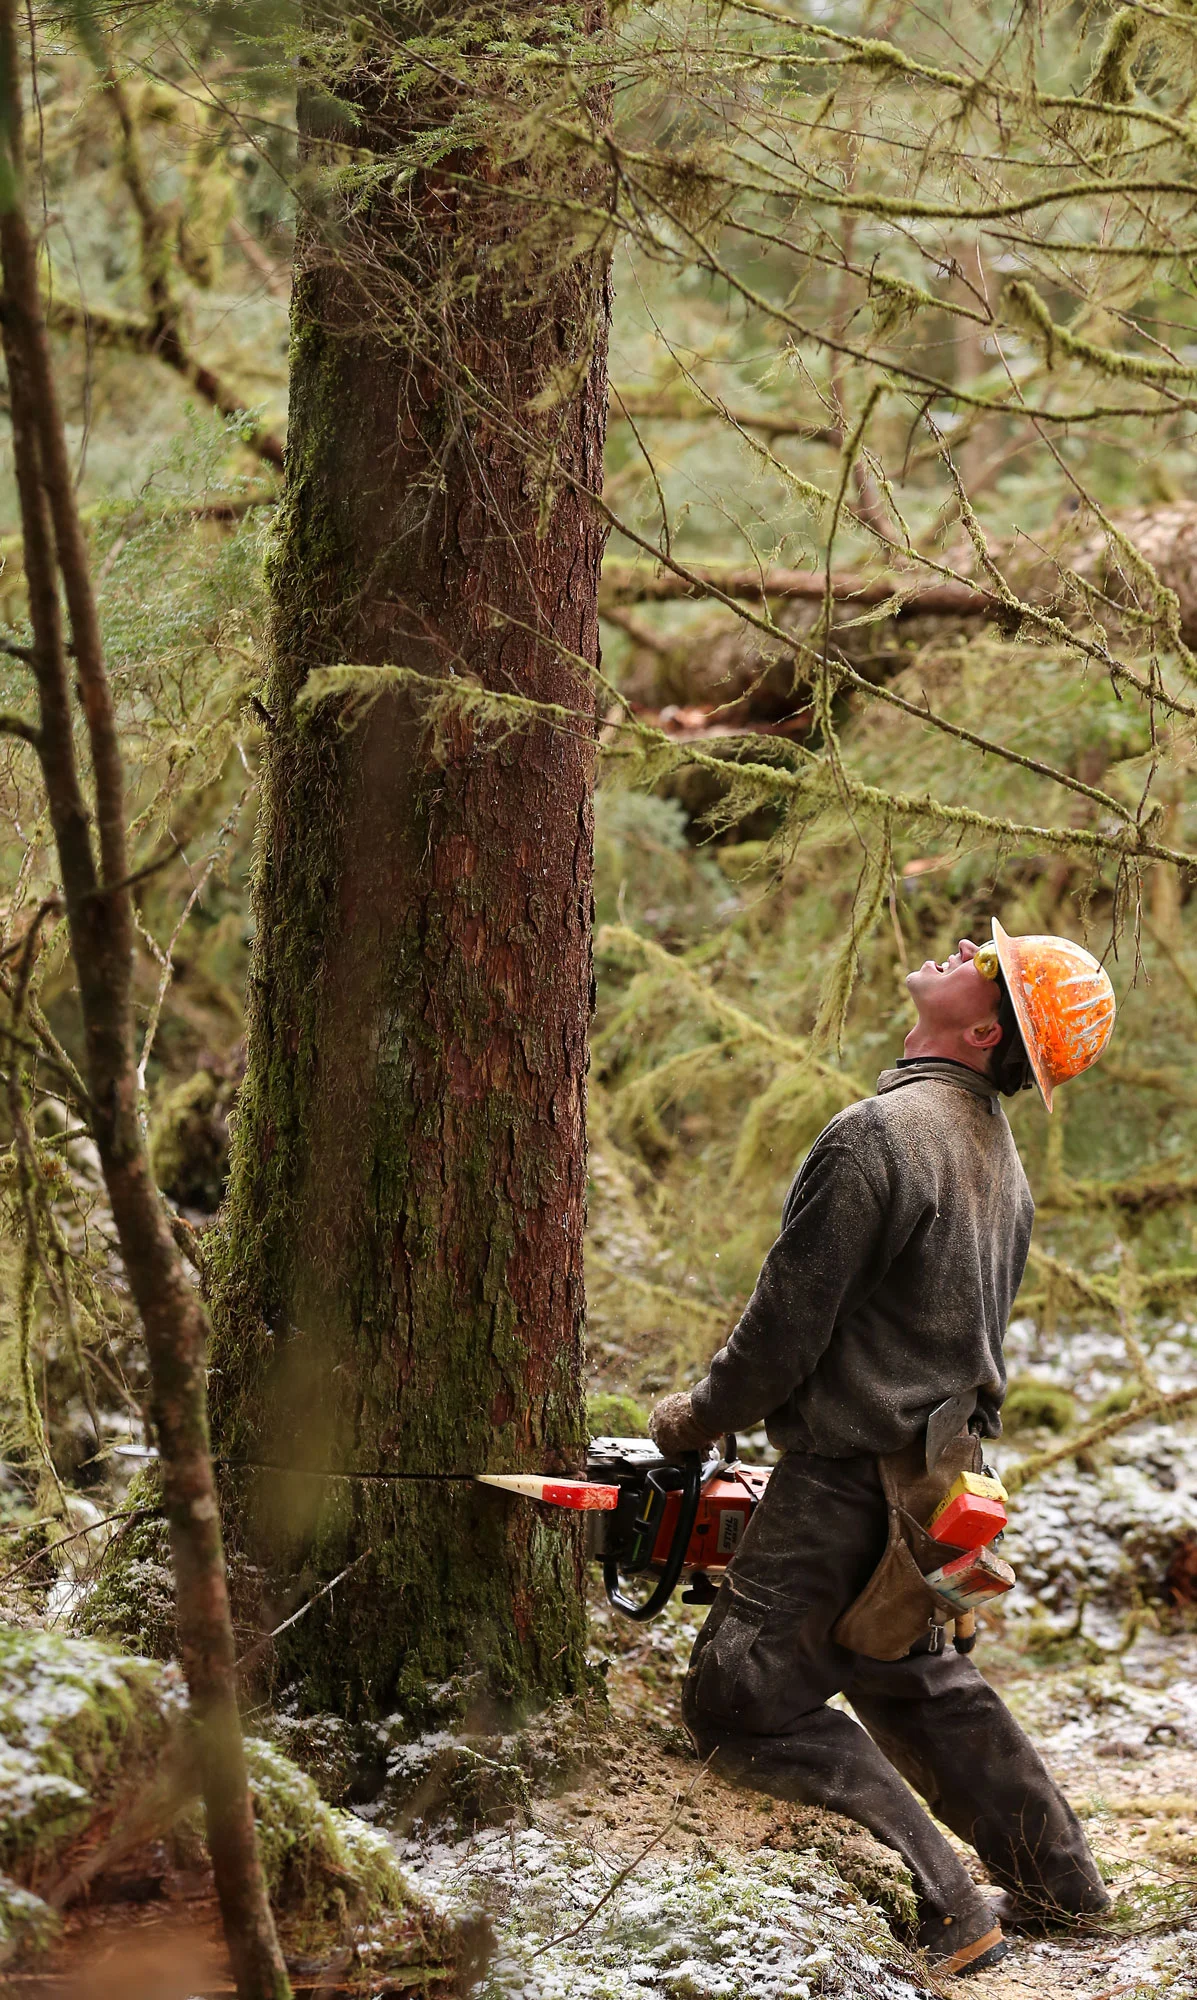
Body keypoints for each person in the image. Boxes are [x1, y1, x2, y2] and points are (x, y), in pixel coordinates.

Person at [649, 922, 1117, 1976]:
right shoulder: (1000, 1157)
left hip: (846, 1479)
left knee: (736, 1700)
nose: (959, 943)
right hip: (943, 1478)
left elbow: (781, 1333)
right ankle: (1063, 1886)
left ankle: (948, 1901)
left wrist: (690, 1419)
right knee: (911, 1674)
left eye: (979, 961)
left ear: (987, 1023)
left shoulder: (878, 1136)